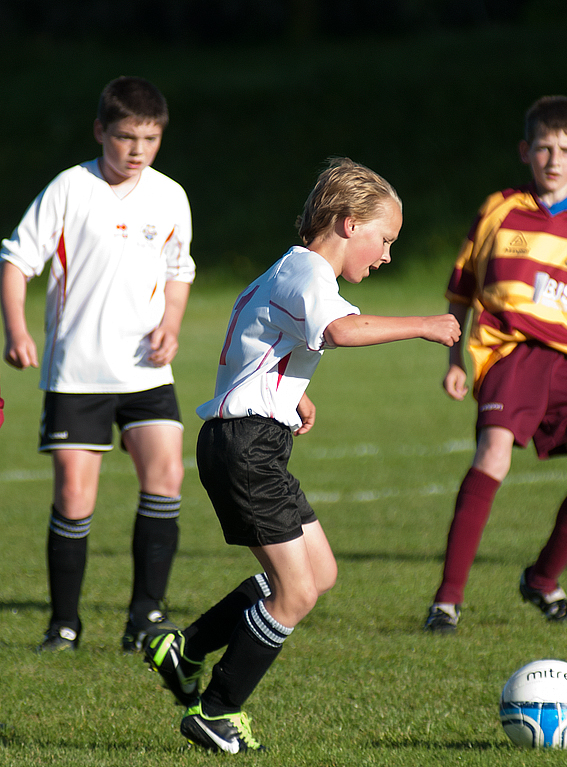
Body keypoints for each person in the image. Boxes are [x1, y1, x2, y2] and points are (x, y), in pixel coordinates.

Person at [142, 157, 460, 753]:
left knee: (319, 575)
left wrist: (293, 396)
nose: (387, 255)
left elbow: (257, 340)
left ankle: (185, 649)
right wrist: (423, 324)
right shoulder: (309, 274)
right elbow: (340, 331)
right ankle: (218, 709)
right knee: (295, 592)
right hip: (246, 448)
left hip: (255, 440)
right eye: (384, 240)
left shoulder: (289, 272)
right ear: (347, 223)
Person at [423, 96, 567, 633]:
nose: (553, 158)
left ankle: (543, 579)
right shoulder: (498, 208)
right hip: (509, 353)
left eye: (566, 149)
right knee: (493, 455)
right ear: (525, 151)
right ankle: (447, 602)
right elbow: (461, 292)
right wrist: (455, 358)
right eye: (543, 147)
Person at [0, 76, 195, 653]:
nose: (137, 150)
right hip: (77, 373)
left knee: (166, 478)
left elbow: (178, 271)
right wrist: (16, 329)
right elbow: (14, 262)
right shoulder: (69, 188)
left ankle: (146, 617)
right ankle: (64, 625)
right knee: (75, 498)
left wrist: (172, 325)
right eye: (126, 136)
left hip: (146, 372)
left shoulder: (170, 196)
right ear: (100, 131)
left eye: (151, 138)